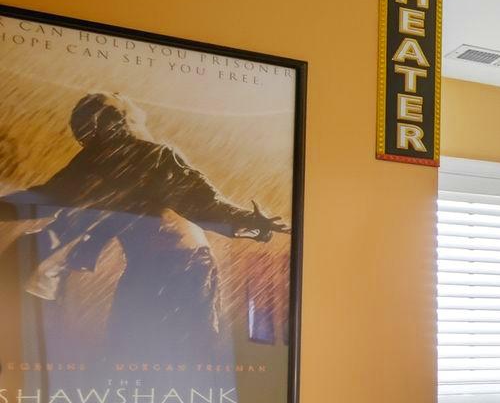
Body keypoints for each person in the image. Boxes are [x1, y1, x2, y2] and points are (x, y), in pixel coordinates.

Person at [1, 92, 286, 355]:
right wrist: (247, 222)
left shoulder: (145, 156)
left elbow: (202, 203)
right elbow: (47, 199)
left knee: (166, 351)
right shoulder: (101, 162)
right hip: (160, 266)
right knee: (140, 349)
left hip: (181, 264)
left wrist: (247, 222)